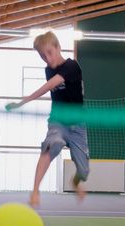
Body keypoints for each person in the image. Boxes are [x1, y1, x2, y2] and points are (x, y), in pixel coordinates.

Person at [6, 31, 89, 207]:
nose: (47, 59)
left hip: (78, 125)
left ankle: (75, 182)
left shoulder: (72, 66)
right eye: (42, 56)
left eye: (50, 53)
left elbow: (50, 85)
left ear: (59, 47)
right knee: (53, 143)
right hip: (58, 121)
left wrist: (23, 102)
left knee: (84, 171)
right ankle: (35, 191)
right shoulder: (48, 69)